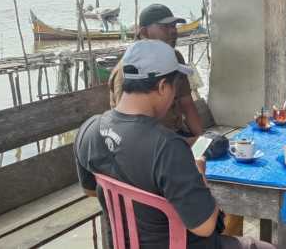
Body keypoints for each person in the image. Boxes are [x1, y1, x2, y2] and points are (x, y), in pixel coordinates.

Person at [76, 40, 275, 249]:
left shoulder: (89, 129)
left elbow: (91, 190)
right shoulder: (167, 146)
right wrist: (200, 177)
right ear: (162, 87)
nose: (173, 98)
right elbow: (205, 226)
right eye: (174, 88)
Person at [109, 4, 204, 144]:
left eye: (174, 26)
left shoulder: (174, 58)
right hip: (146, 144)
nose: (173, 31)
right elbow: (130, 127)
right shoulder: (130, 70)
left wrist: (203, 141)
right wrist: (188, 143)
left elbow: (187, 103)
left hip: (176, 136)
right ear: (144, 32)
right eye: (165, 27)